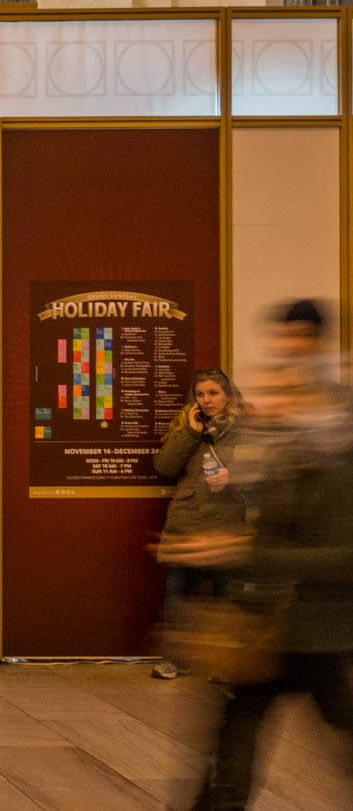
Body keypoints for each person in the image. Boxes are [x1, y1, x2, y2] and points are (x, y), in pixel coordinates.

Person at [175, 301, 353, 810]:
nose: (288, 350)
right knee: (236, 729)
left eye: (298, 338)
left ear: (319, 343)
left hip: (319, 623)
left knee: (329, 719)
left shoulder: (339, 434)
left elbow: (338, 552)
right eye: (283, 338)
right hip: (270, 619)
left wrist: (249, 550)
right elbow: (256, 502)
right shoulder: (281, 427)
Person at [150, 368, 247, 679]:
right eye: (201, 394)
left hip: (226, 526)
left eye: (213, 393)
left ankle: (223, 662)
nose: (207, 400)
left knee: (226, 598)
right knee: (178, 596)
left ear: (228, 395)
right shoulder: (188, 427)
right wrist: (190, 432)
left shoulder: (246, 430)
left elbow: (265, 474)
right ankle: (174, 660)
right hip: (187, 525)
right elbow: (164, 466)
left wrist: (235, 476)